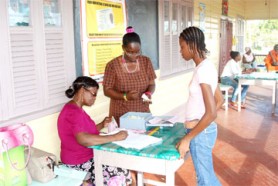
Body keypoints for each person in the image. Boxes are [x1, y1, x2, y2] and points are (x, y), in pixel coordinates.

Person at [57, 76, 133, 186]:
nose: (95, 98)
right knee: (120, 174)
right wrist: (115, 137)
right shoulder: (73, 112)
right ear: (83, 90)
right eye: (93, 94)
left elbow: (85, 131)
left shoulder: (76, 109)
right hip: (79, 163)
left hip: (86, 158)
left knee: (120, 165)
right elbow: (83, 139)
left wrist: (102, 124)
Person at [176, 26, 224, 186]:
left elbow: (211, 113)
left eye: (182, 47)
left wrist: (188, 137)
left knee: (205, 180)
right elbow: (220, 100)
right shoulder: (206, 66)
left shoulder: (202, 70)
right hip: (202, 131)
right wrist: (203, 121)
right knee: (206, 177)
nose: (181, 51)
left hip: (200, 134)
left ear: (192, 45)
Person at [103, 26, 156, 125]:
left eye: (137, 52)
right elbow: (107, 90)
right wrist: (125, 96)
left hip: (142, 112)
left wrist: (148, 94)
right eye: (130, 52)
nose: (134, 56)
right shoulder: (112, 65)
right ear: (123, 48)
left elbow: (152, 84)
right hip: (121, 114)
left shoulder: (146, 61)